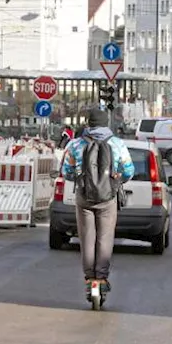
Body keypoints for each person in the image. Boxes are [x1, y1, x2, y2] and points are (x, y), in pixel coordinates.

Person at [60, 108, 135, 302]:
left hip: (84, 196)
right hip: (108, 197)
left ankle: (89, 279)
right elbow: (129, 170)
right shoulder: (117, 144)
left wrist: (78, 177)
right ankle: (101, 278)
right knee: (105, 238)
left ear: (89, 123)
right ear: (106, 123)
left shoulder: (75, 144)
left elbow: (66, 171)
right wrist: (117, 180)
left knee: (86, 238)